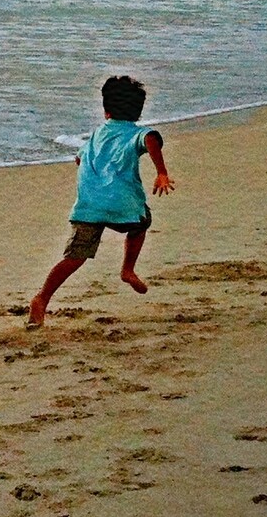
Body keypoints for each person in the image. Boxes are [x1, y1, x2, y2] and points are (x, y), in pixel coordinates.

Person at [27, 75, 174, 329]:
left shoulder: (96, 135)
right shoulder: (137, 133)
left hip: (89, 206)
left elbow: (79, 159)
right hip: (122, 205)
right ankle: (128, 270)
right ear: (138, 111)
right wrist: (161, 171)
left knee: (74, 257)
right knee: (141, 223)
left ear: (106, 110)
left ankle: (41, 299)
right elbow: (151, 139)